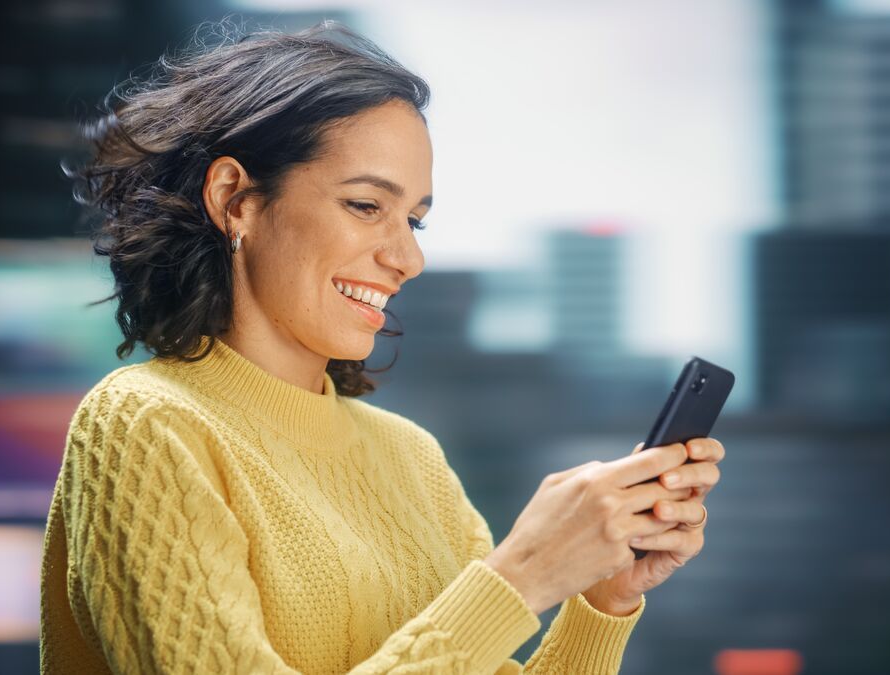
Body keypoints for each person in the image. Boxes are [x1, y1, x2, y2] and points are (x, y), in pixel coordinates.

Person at [39, 19, 725, 675]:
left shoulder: (413, 459)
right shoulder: (145, 424)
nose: (406, 258)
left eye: (416, 220)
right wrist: (520, 574)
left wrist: (601, 597)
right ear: (235, 199)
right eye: (366, 206)